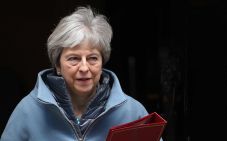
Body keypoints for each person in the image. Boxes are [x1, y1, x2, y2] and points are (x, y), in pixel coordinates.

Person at [0, 6, 150, 141]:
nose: (84, 68)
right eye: (74, 59)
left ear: (102, 62)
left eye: (92, 58)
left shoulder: (133, 112)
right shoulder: (28, 111)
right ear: (58, 65)